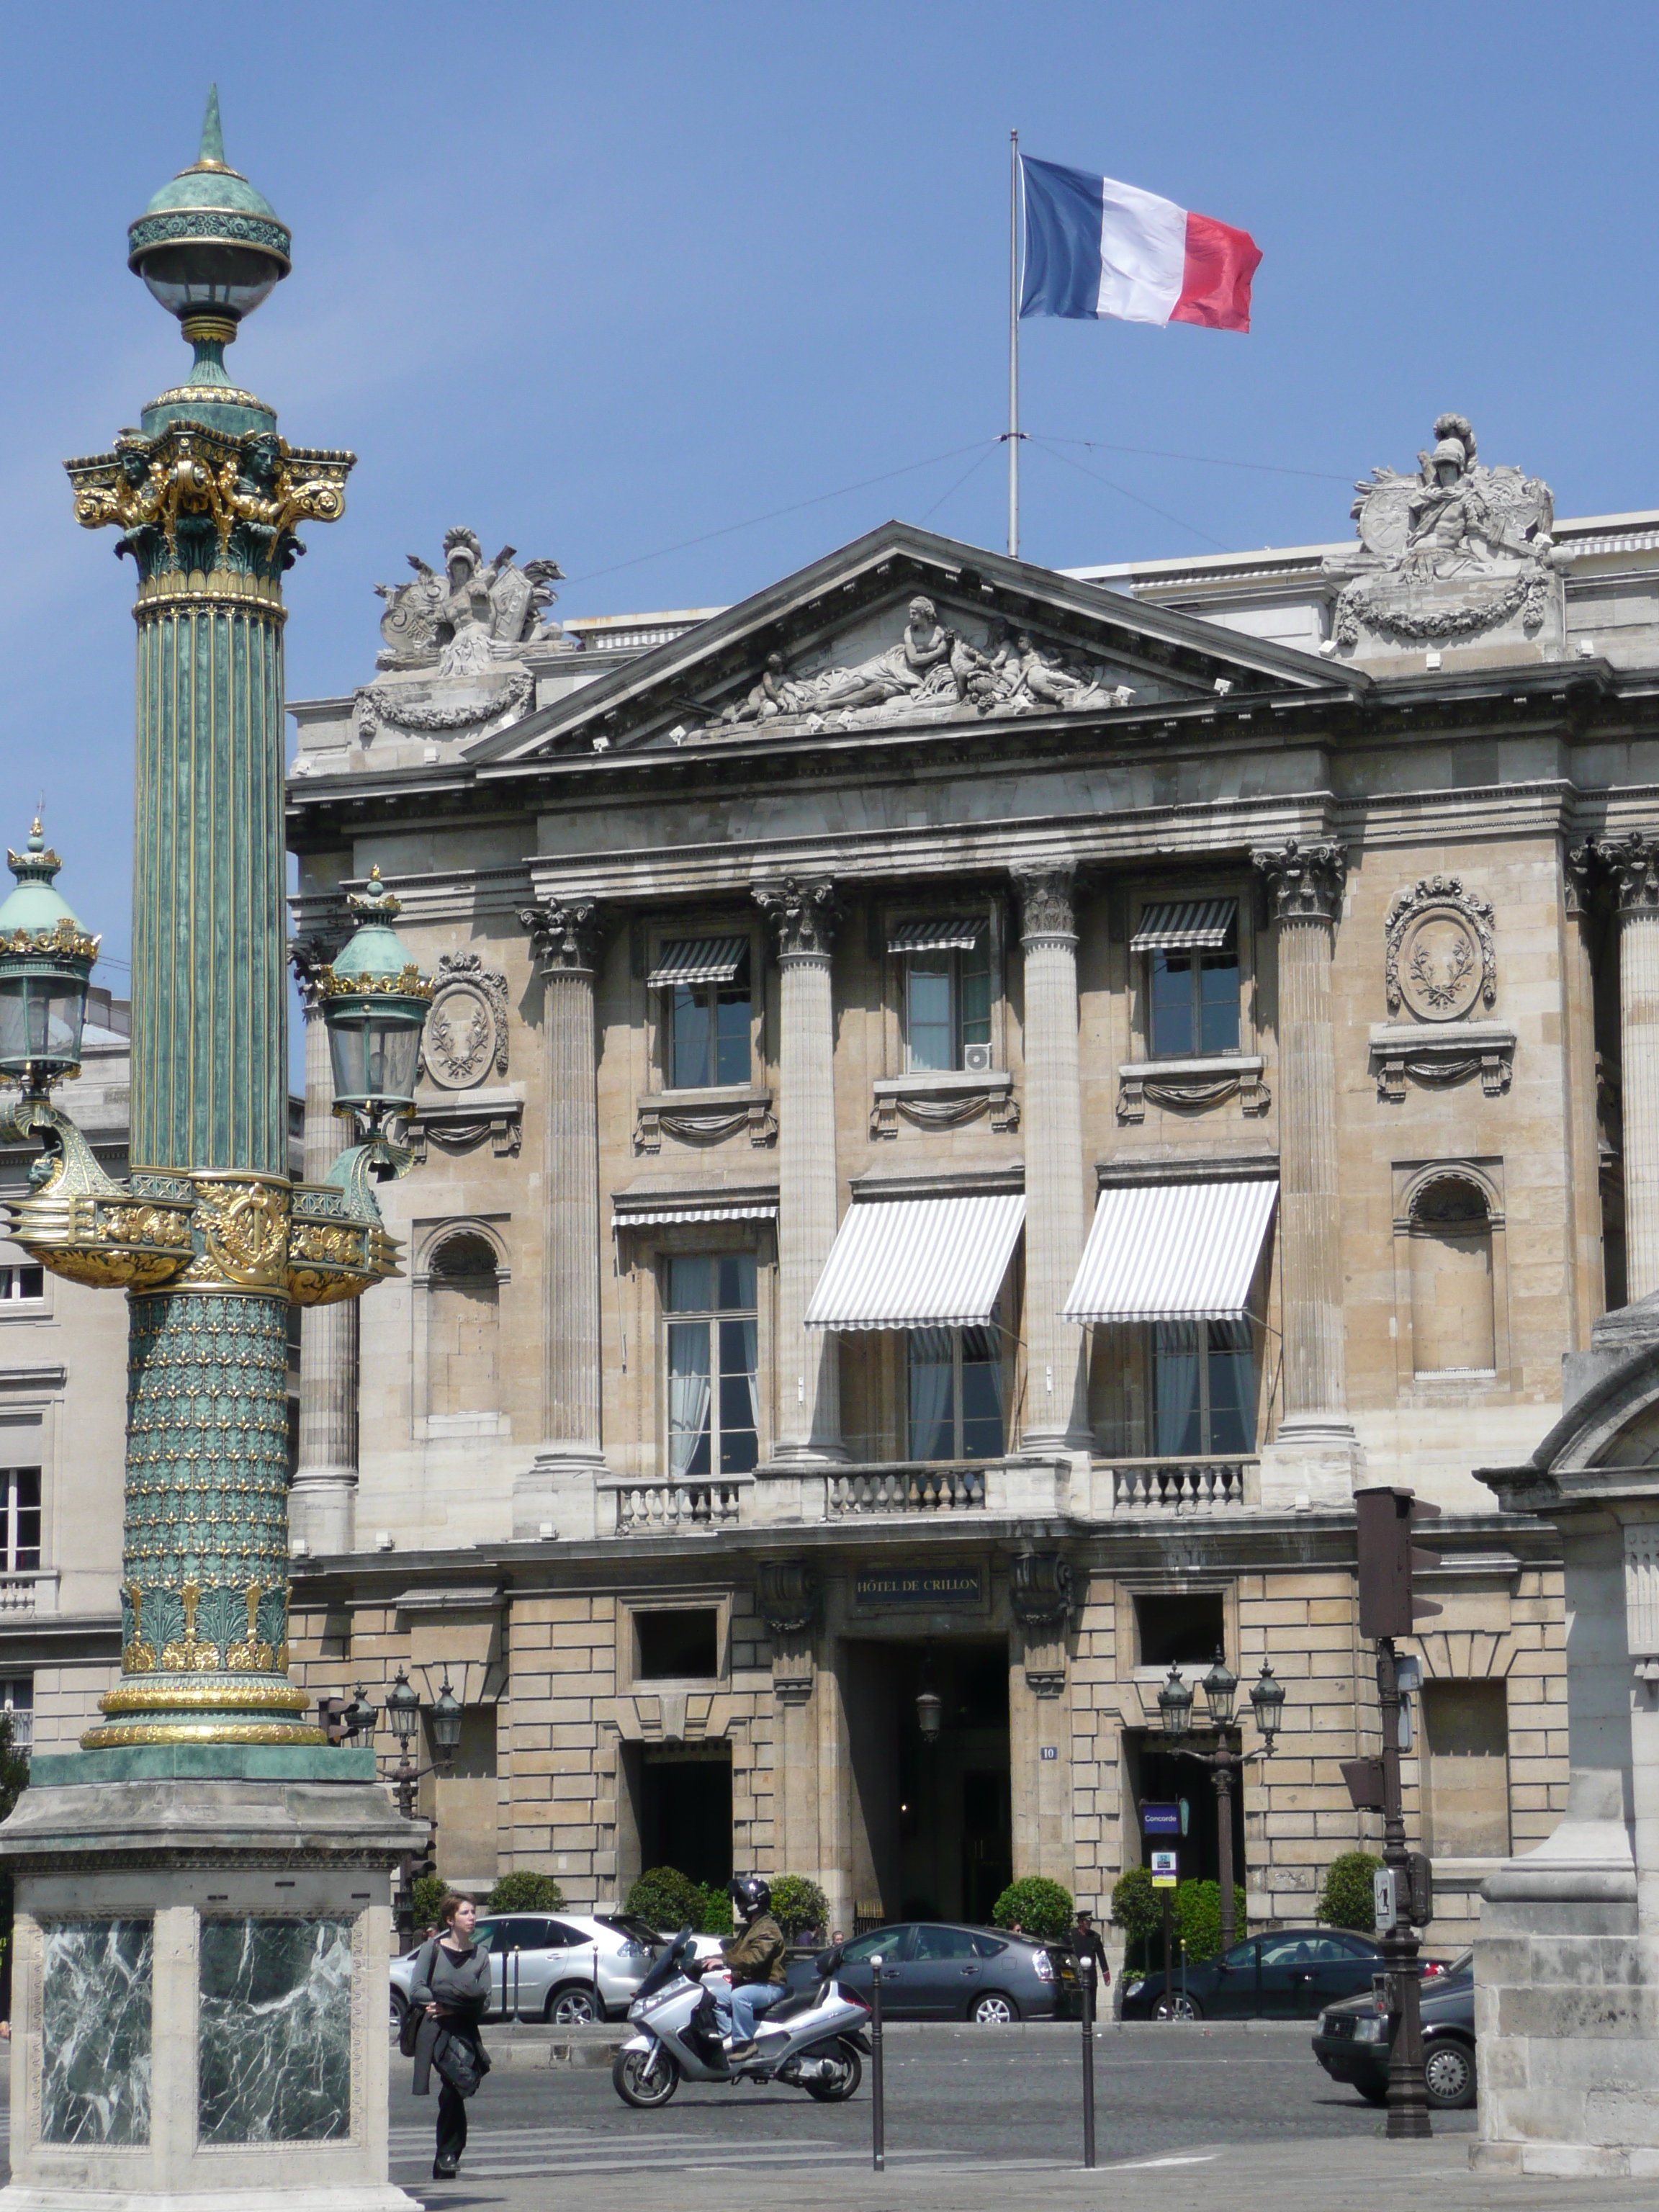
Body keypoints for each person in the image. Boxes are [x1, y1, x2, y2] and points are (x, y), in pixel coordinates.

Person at [410, 1894, 493, 2180]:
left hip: (464, 2028)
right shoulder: (431, 1949)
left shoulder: (480, 1955)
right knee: (453, 2084)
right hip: (435, 2029)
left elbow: (485, 2000)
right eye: (465, 1913)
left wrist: (453, 2003)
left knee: (456, 2089)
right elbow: (416, 1989)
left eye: (473, 1912)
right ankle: (449, 2153)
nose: (472, 1918)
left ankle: (444, 2159)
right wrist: (442, 2000)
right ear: (450, 1920)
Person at [711, 1876, 788, 2059]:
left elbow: (754, 1957)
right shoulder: (749, 1929)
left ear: (754, 1903)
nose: (738, 1905)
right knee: (713, 1996)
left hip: (771, 1986)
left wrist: (724, 1963)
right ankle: (729, 2038)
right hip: (754, 1984)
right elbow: (734, 1953)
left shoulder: (768, 1929)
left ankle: (745, 2044)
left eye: (741, 1900)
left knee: (739, 1996)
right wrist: (705, 1961)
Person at [1072, 1910, 1112, 1998]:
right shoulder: (1071, 1936)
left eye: (1090, 1921)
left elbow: (1102, 1957)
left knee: (1091, 2002)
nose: (1089, 1923)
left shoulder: (1095, 1937)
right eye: (1086, 1921)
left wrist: (1106, 1976)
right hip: (1076, 1975)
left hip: (1091, 1975)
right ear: (1080, 1922)